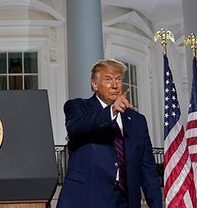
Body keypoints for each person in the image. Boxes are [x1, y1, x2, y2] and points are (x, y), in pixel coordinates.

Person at [57, 59, 162, 208]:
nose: (114, 85)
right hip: (86, 198)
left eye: (118, 79)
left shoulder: (138, 121)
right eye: (108, 79)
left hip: (126, 201)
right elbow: (75, 127)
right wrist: (111, 112)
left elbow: (148, 170)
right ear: (94, 85)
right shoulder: (78, 107)